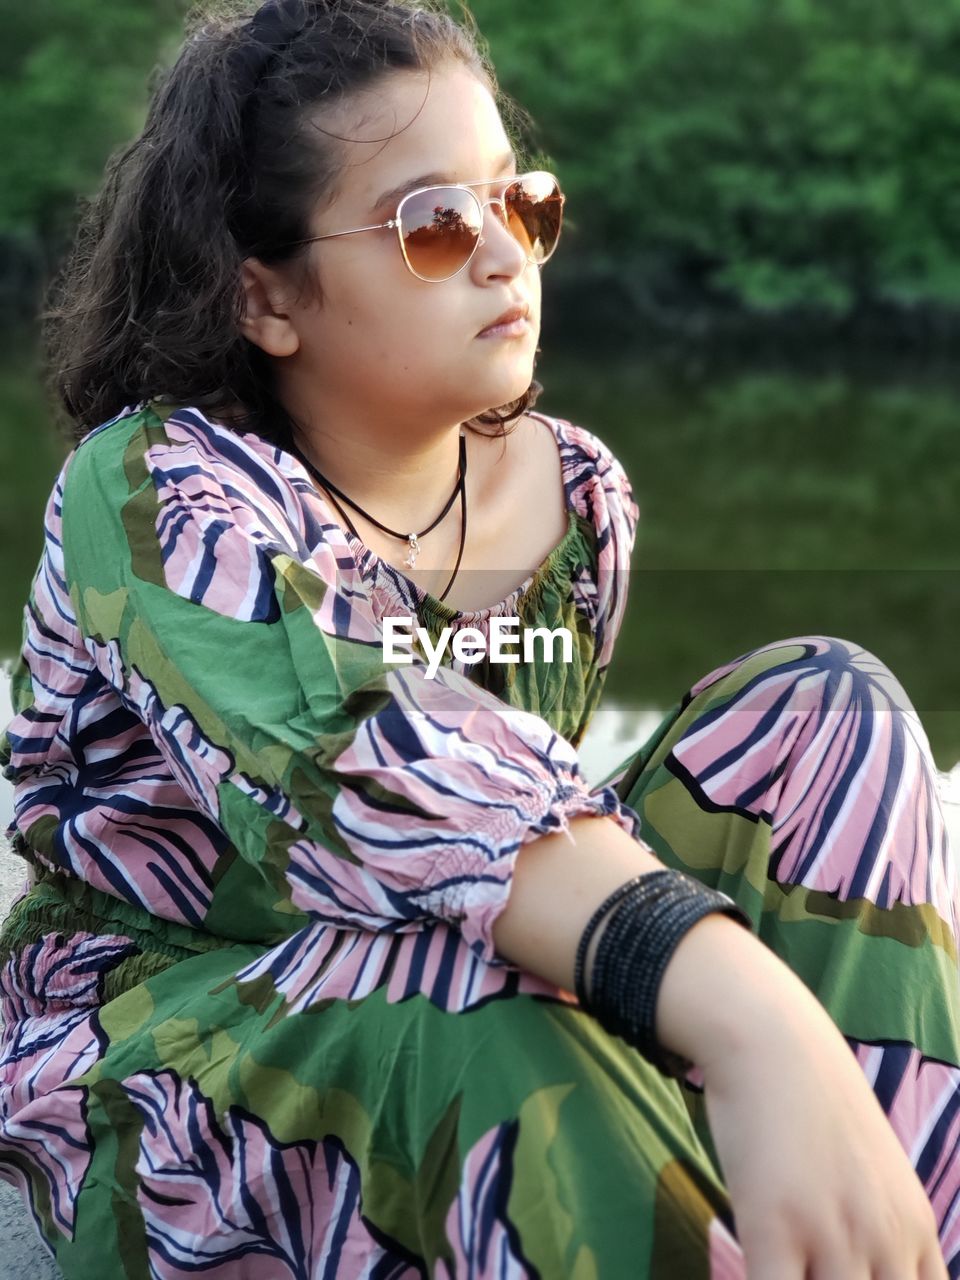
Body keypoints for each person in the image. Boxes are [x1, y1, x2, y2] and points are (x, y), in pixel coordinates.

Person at [0, 0, 957, 1275]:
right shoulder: (159, 495)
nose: (507, 255)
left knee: (833, 710)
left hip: (454, 979)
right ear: (268, 296)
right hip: (178, 1052)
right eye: (437, 225)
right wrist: (751, 1013)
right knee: (482, 1000)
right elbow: (383, 766)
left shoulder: (576, 502)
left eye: (523, 204)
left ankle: (878, 1240)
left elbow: (525, 828)